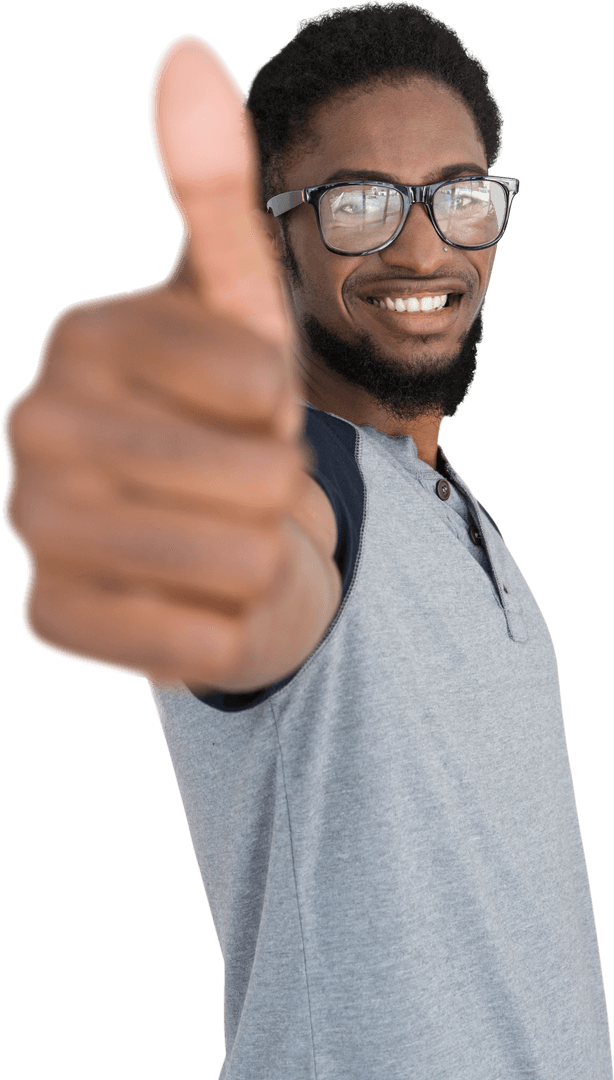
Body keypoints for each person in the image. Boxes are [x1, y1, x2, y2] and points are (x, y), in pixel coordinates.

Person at [3, 3, 612, 1077]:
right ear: (269, 230)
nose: (423, 246)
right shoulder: (308, 488)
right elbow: (263, 569)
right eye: (359, 203)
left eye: (458, 197)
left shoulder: (443, 493)